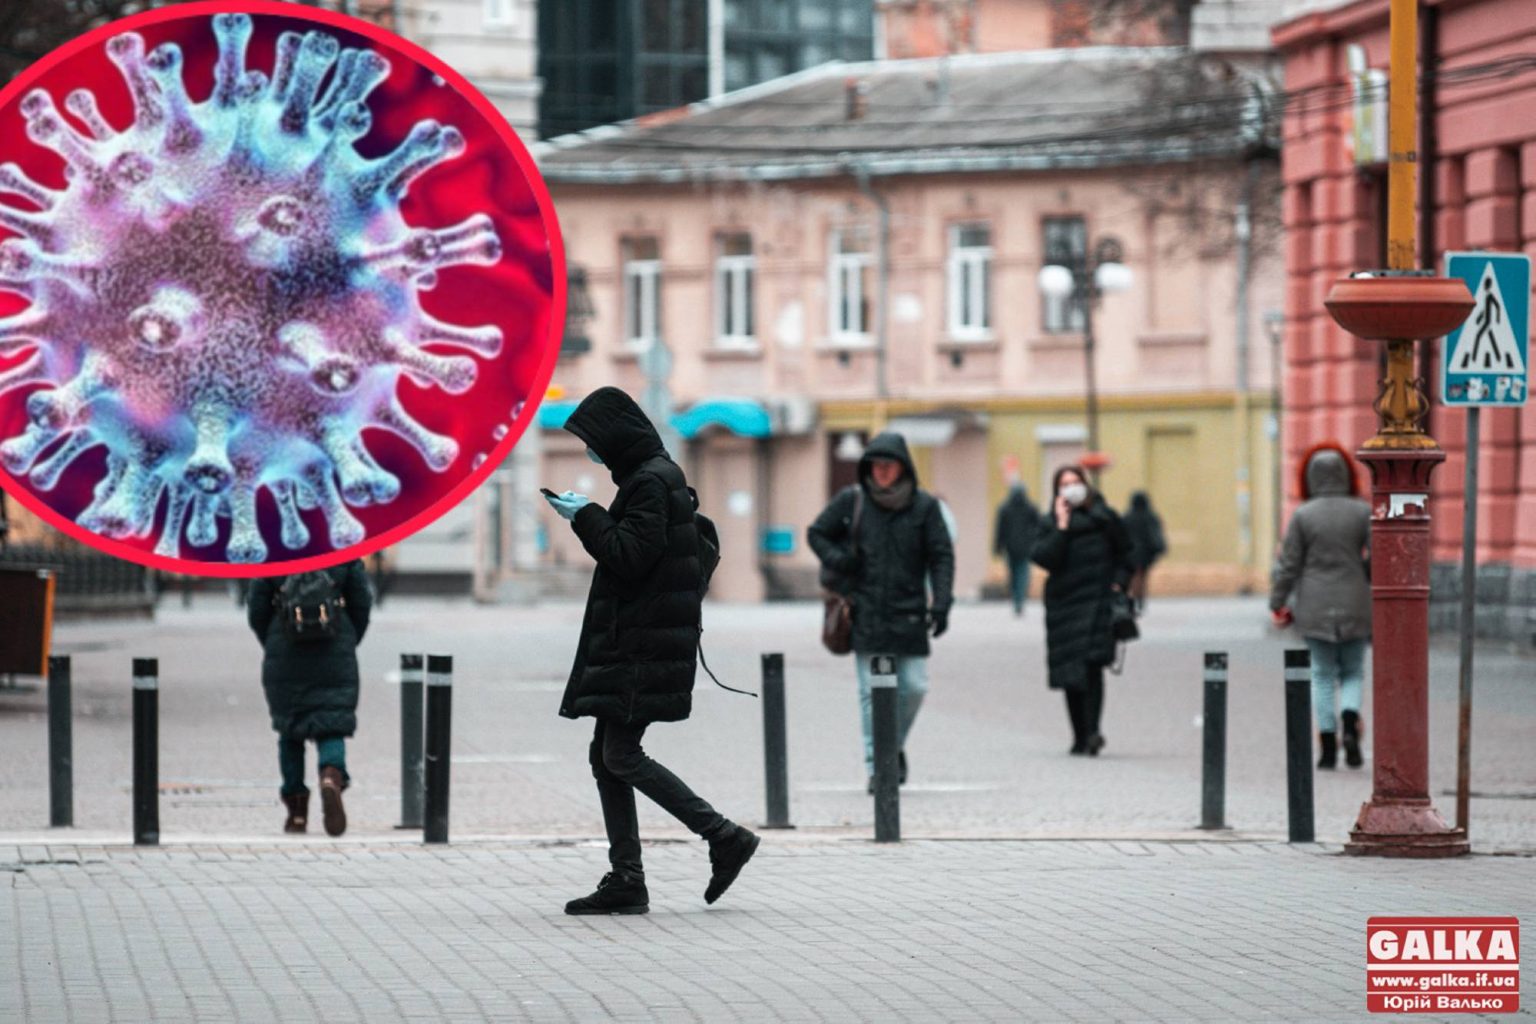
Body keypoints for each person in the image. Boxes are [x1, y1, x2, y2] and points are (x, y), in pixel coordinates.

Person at [548, 386, 758, 916]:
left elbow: (628, 556)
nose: (591, 453)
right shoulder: (656, 478)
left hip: (640, 646)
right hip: (639, 641)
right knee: (606, 757)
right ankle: (627, 879)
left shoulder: (650, 483)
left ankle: (721, 835)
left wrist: (585, 517)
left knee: (619, 755)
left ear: (616, 439)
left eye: (594, 442)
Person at [808, 433, 955, 792]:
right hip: (865, 610)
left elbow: (941, 556)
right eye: (876, 465)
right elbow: (817, 533)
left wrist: (942, 601)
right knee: (871, 694)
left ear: (903, 467)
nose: (883, 472)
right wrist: (841, 560)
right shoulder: (853, 500)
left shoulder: (924, 506)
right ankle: (879, 766)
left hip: (910, 612)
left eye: (889, 465)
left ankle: (894, 747)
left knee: (915, 687)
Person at [248, 560, 373, 836]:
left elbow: (256, 607)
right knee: (332, 724)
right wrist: (348, 636)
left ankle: (296, 813)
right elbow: (361, 601)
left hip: (284, 649)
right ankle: (331, 775)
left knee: (289, 730)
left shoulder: (274, 548)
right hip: (335, 646)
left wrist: (272, 638)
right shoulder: (342, 546)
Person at [1269, 443, 1371, 770]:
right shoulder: (1362, 511)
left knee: (1322, 675)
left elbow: (1289, 564)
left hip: (1314, 603)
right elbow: (1378, 558)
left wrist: (1277, 602)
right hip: (1356, 600)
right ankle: (1350, 721)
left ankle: (1327, 745)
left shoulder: (1303, 515)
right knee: (1353, 671)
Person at [1031, 466, 1132, 756]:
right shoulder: (1051, 522)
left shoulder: (1106, 518)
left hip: (1099, 602)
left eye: (1076, 482)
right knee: (1070, 672)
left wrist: (1118, 585)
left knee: (1092, 666)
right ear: (1057, 491)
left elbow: (1127, 554)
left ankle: (1093, 732)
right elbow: (1044, 558)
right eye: (1065, 484)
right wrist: (1062, 525)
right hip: (1065, 605)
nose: (1071, 488)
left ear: (1086, 486)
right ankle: (1078, 734)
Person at [993, 481, 1043, 616]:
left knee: (1014, 575)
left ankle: (1017, 600)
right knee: (1022, 574)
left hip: (1011, 547)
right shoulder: (1030, 507)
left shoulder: (1004, 508)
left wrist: (997, 547)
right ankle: (1019, 600)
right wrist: (1034, 538)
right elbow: (1040, 525)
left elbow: (999, 530)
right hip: (1026, 547)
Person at [1121, 491, 1168, 610]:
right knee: (1141, 577)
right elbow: (1155, 535)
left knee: (1134, 577)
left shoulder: (1127, 517)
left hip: (1130, 553)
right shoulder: (1150, 517)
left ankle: (1134, 598)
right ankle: (1139, 599)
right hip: (1145, 553)